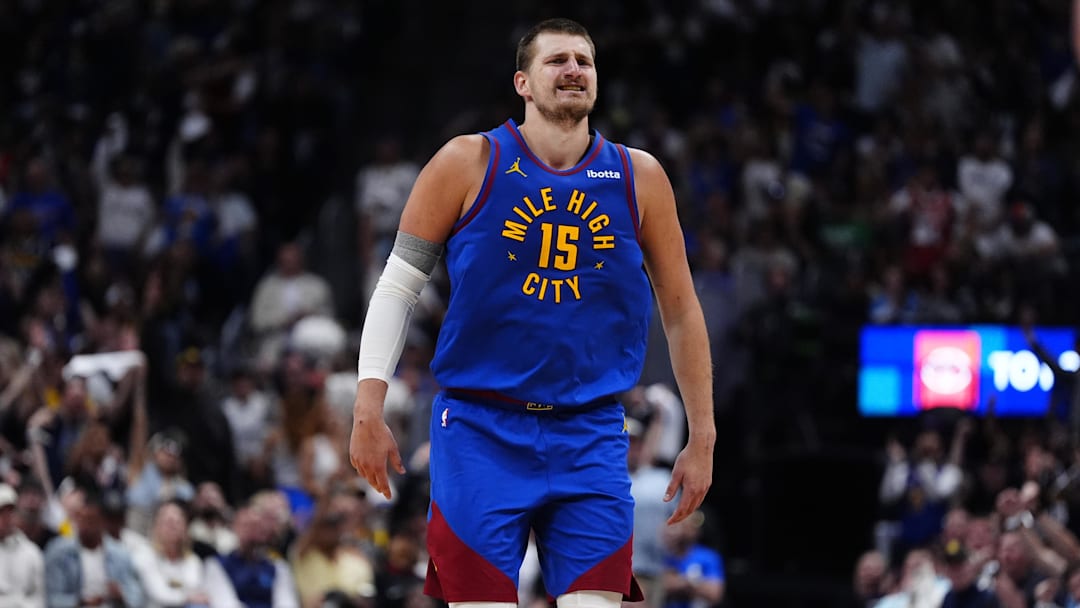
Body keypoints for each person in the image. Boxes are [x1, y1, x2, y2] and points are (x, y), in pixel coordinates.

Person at [348, 17, 715, 608]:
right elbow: (397, 287)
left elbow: (681, 311)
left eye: (584, 61)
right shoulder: (467, 161)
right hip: (479, 430)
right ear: (522, 82)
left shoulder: (640, 176)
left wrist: (703, 434)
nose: (573, 70)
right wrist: (369, 403)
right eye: (557, 60)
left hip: (591, 431)